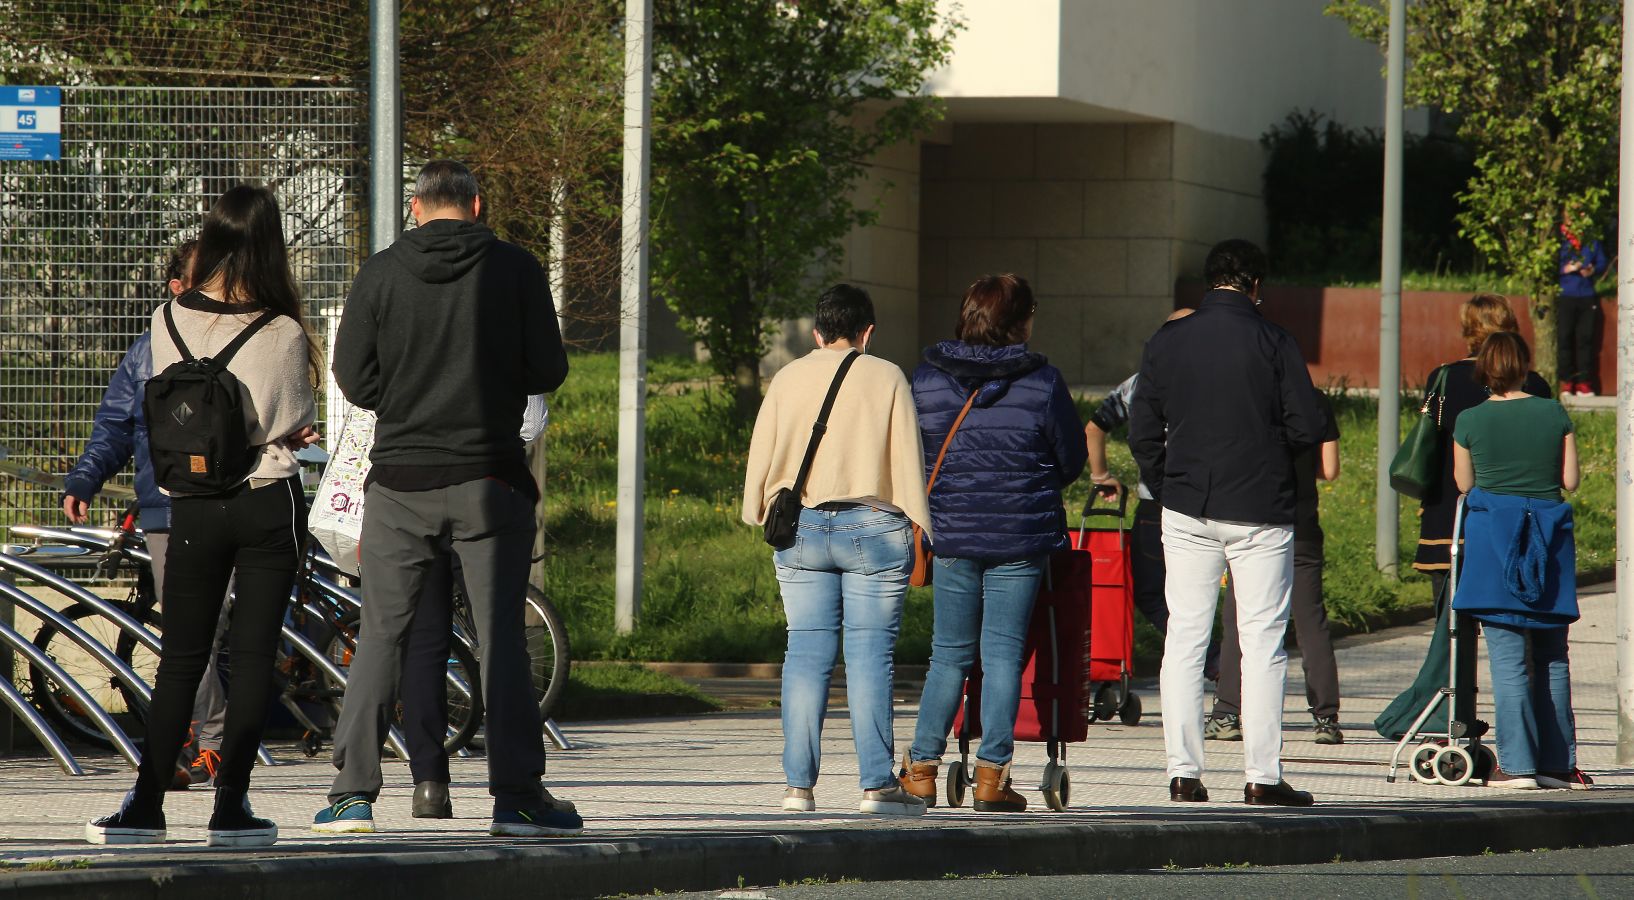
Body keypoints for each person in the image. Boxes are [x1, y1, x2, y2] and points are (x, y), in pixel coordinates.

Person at [314, 161, 576, 838]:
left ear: (415, 207)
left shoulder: (380, 272)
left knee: (383, 634)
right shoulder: (516, 269)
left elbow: (351, 376)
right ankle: (517, 798)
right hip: (490, 477)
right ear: (477, 205)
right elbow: (549, 367)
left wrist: (405, 399)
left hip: (401, 480)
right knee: (501, 639)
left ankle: (352, 796)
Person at [86, 184, 321, 847]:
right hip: (265, 501)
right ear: (271, 245)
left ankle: (145, 805)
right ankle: (231, 806)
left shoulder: (166, 319)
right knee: (251, 656)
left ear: (211, 238)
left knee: (181, 659)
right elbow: (291, 420)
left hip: (189, 505)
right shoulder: (282, 329)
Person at [1129, 238, 1325, 808]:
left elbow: (1142, 429)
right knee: (1262, 642)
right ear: (1256, 285)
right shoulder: (1275, 341)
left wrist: (1169, 485)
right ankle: (1262, 776)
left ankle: (1183, 773)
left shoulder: (1168, 340)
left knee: (1185, 637)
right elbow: (1306, 425)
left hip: (1187, 504)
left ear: (1208, 281)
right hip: (1261, 508)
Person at [897, 274, 1087, 813]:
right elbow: (1070, 459)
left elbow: (913, 453)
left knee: (948, 655)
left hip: (952, 533)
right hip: (1020, 536)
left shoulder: (927, 380)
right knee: (1003, 653)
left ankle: (920, 771)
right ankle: (991, 778)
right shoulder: (1043, 381)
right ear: (1019, 322)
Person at [742, 283, 931, 817]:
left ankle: (797, 788)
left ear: (817, 332)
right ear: (867, 332)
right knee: (870, 656)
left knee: (805, 653)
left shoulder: (788, 377)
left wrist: (755, 507)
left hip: (800, 526)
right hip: (874, 526)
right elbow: (907, 455)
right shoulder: (887, 376)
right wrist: (920, 522)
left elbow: (763, 449)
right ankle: (877, 788)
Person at [62, 240, 236, 790]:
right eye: (204, 281)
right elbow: (115, 426)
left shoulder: (248, 338)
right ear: (176, 289)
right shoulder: (147, 351)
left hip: (235, 503)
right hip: (168, 511)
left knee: (215, 626)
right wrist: (85, 479)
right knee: (192, 629)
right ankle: (212, 741)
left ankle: (210, 737)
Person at [1403, 295, 1550, 735]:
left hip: (1452, 518)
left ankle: (1455, 717)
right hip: (1518, 521)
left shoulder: (1446, 378)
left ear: (1468, 329)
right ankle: (1526, 731)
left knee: (1452, 629)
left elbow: (1430, 446)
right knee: (1520, 634)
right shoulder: (1535, 384)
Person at [397, 396, 547, 820]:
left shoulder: (403, 349)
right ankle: (515, 788)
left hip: (410, 487)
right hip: (488, 488)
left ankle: (428, 783)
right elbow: (533, 420)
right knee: (501, 639)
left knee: (423, 642)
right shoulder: (500, 348)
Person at [1451, 331, 1588, 790]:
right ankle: (1559, 765)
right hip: (1548, 545)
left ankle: (1517, 766)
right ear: (1525, 365)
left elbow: (1465, 485)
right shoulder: (1553, 413)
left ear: (1484, 369)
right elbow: (1570, 480)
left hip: (1495, 546)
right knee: (1553, 657)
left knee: (1509, 661)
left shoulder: (1470, 420)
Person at [1082, 309, 1219, 680]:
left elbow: (1094, 428)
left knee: (1152, 594)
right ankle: (1221, 663)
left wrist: (1101, 476)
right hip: (1212, 502)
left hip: (1155, 504)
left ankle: (1212, 660)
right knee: (1203, 595)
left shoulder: (1141, 382)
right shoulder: (1219, 378)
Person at [1207, 388, 1343, 745]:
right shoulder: (1315, 400)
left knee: (1238, 619)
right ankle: (1326, 718)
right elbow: (1329, 470)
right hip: (1302, 529)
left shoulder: (1247, 397)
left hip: (1254, 526)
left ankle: (1227, 714)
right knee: (1311, 621)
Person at [1556, 212, 1608, 396]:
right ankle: (1567, 381)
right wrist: (1566, 269)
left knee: (1585, 339)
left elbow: (1602, 262)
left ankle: (1584, 382)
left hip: (1586, 295)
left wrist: (1592, 269)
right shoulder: (1559, 239)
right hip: (1566, 294)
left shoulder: (1590, 239)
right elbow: (1549, 265)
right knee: (1564, 338)